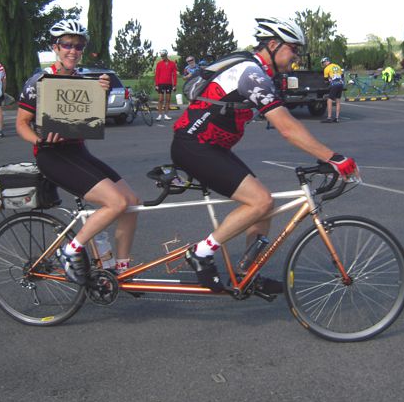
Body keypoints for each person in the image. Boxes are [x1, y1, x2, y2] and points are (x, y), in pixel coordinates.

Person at [170, 17, 359, 293]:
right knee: (260, 201)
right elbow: (287, 127)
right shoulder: (251, 74)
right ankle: (200, 253)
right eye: (293, 49)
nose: (296, 56)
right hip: (193, 145)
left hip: (210, 147)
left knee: (263, 207)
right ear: (273, 45)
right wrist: (335, 158)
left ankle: (248, 272)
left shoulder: (260, 73)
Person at [16, 19, 140, 284]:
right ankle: (69, 250)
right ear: (56, 48)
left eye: (79, 46)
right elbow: (21, 124)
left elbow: (89, 120)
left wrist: (102, 95)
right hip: (51, 156)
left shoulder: (83, 82)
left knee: (131, 201)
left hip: (78, 153)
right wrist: (39, 142)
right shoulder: (39, 81)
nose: (73, 51)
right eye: (67, 45)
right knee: (115, 202)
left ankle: (121, 269)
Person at [154, 49, 178, 121]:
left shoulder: (172, 64)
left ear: (166, 55)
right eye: (161, 56)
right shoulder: (159, 64)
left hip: (169, 84)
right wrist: (156, 85)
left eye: (163, 56)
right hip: (161, 84)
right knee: (161, 99)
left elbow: (174, 75)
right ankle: (159, 115)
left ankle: (166, 115)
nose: (162, 57)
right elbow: (157, 75)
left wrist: (174, 85)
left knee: (168, 100)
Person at [321, 56, 345, 123]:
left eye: (323, 63)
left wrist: (329, 80)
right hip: (340, 84)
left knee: (329, 100)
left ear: (326, 62)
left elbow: (325, 80)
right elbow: (342, 76)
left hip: (334, 84)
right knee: (338, 100)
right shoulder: (337, 66)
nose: (323, 64)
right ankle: (337, 118)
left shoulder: (327, 68)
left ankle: (329, 118)